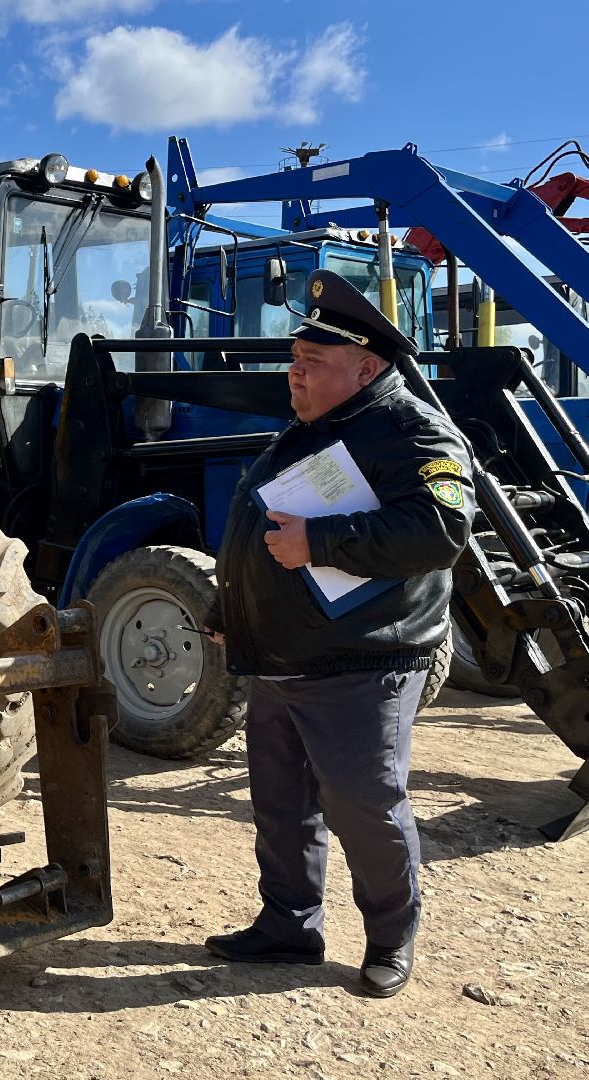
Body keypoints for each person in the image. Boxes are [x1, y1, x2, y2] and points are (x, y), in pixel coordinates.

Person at [202, 268, 475, 999]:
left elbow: (440, 531)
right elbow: (256, 529)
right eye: (295, 360)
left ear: (367, 367)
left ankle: (391, 937)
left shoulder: (415, 431)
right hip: (285, 661)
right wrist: (230, 613)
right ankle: (288, 926)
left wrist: (322, 542)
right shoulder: (313, 429)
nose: (295, 373)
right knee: (282, 807)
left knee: (364, 807)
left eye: (312, 363)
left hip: (365, 663)